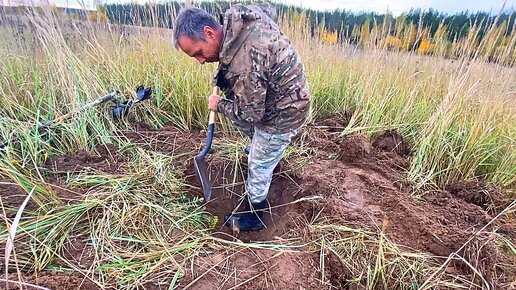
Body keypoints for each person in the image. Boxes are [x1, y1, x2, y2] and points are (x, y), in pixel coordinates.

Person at [173, 3, 310, 234]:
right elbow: (266, 8)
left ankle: (255, 216)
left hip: (286, 111)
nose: (200, 61)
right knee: (250, 130)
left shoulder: (245, 65)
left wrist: (219, 105)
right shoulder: (237, 21)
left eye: (198, 53)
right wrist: (222, 77)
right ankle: (268, 154)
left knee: (257, 164)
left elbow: (251, 114)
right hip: (281, 97)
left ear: (209, 32)